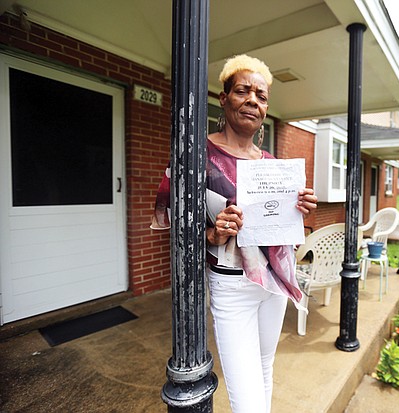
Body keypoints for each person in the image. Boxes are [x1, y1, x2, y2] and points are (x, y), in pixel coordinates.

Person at [152, 54, 317, 413]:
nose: (252, 101)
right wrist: (211, 235)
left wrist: (299, 207)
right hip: (231, 286)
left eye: (261, 95)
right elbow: (171, 222)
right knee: (246, 399)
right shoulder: (194, 156)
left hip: (272, 284)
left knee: (264, 368)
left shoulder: (273, 166)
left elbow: (281, 228)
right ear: (224, 98)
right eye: (243, 91)